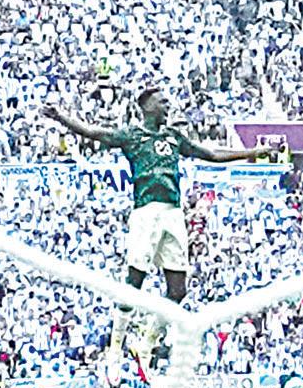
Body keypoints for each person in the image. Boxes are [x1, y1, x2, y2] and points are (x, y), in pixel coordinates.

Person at [49, 88, 284, 364]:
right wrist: (61, 118)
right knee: (135, 281)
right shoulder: (132, 136)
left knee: (178, 290)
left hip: (173, 212)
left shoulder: (174, 136)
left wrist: (255, 152)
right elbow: (93, 132)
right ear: (147, 106)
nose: (167, 106)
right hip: (146, 211)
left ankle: (146, 343)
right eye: (162, 102)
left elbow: (210, 154)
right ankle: (115, 348)